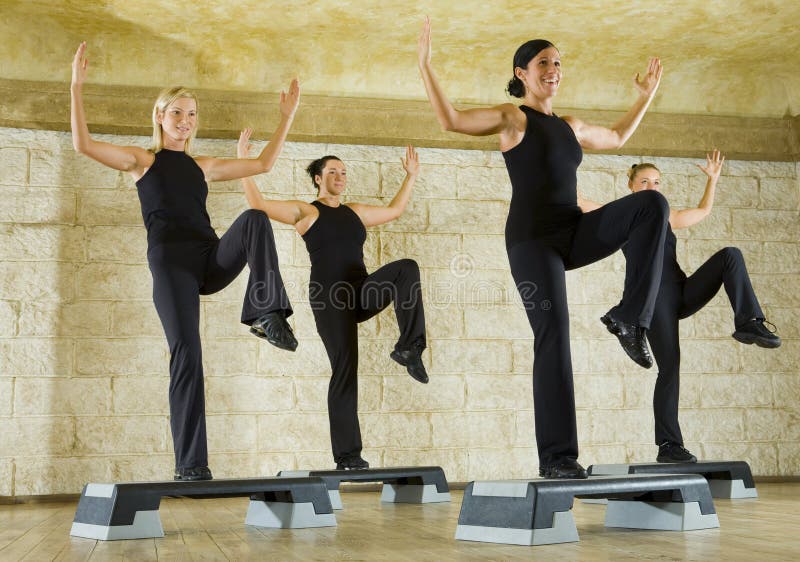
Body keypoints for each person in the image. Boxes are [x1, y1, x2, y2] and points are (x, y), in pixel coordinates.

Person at [417, 18, 670, 479]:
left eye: (557, 62)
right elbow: (450, 120)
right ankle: (558, 459)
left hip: (572, 231)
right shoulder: (514, 118)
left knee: (651, 203)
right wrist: (425, 66)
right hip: (532, 243)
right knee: (553, 336)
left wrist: (645, 95)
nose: (553, 69)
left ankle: (630, 318)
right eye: (542, 63)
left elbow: (616, 139)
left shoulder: (569, 126)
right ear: (522, 74)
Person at [70, 42, 299, 481]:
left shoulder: (204, 165)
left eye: (192, 114)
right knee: (187, 354)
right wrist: (77, 87)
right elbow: (83, 145)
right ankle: (191, 465)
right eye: (177, 112)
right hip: (171, 266)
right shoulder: (144, 161)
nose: (186, 121)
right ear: (160, 116)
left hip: (209, 258)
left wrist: (286, 117)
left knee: (254, 217)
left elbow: (264, 164)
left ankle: (267, 313)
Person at [238, 129, 428, 470]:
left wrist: (410, 177)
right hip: (329, 297)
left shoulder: (355, 212)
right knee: (345, 369)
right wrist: (244, 163)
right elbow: (258, 205)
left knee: (407, 269)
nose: (339, 177)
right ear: (318, 178)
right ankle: (348, 456)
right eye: (332, 172)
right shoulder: (306, 212)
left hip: (360, 289)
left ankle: (410, 348)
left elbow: (395, 210)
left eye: (343, 172)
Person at [579, 152, 781, 463]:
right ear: (631, 186)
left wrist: (712, 179)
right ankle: (669, 446)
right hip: (655, 301)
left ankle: (749, 321)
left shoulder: (667, 216)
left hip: (682, 292)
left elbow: (703, 210)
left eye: (657, 182)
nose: (651, 187)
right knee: (670, 367)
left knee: (730, 255)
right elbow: (582, 204)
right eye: (644, 182)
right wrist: (559, 172)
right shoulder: (621, 217)